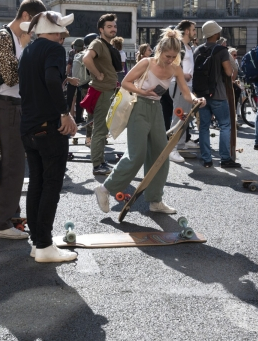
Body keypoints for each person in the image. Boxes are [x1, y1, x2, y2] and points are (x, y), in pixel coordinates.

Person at [93, 28, 205, 214]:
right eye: (168, 56)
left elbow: (186, 92)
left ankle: (155, 200)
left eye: (174, 56)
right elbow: (126, 82)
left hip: (156, 110)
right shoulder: (147, 62)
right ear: (160, 50)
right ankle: (104, 189)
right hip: (139, 107)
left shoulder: (175, 68)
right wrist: (143, 91)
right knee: (136, 155)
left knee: (161, 155)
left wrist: (196, 100)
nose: (170, 60)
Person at [0, 0, 46, 239]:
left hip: (17, 106)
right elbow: (10, 76)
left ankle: (13, 218)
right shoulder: (3, 37)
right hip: (6, 107)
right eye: (36, 24)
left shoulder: (17, 38)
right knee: (9, 167)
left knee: (17, 167)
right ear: (26, 16)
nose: (36, 31)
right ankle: (1, 224)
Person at [19, 11, 78, 263]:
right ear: (55, 31)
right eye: (62, 30)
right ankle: (43, 245)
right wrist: (65, 113)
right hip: (49, 125)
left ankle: (37, 243)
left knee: (37, 183)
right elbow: (52, 79)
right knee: (51, 184)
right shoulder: (53, 49)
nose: (64, 35)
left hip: (28, 125)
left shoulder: (29, 49)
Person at [195, 20, 241, 168]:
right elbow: (228, 72)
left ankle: (206, 159)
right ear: (216, 34)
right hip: (218, 93)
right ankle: (225, 158)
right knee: (225, 125)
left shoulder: (198, 50)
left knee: (204, 127)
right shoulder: (221, 51)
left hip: (201, 94)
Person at [83, 13, 119, 175]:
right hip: (102, 92)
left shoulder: (107, 45)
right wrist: (97, 74)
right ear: (101, 29)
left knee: (102, 130)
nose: (113, 29)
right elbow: (86, 59)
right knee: (100, 130)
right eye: (109, 27)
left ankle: (101, 162)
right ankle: (97, 165)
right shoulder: (98, 43)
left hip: (109, 91)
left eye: (114, 26)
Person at [169, 20, 199, 163]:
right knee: (179, 116)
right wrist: (182, 74)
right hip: (179, 84)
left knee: (185, 117)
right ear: (187, 31)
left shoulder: (188, 46)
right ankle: (172, 149)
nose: (195, 32)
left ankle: (180, 145)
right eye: (193, 29)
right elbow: (171, 62)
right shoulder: (178, 44)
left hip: (188, 85)